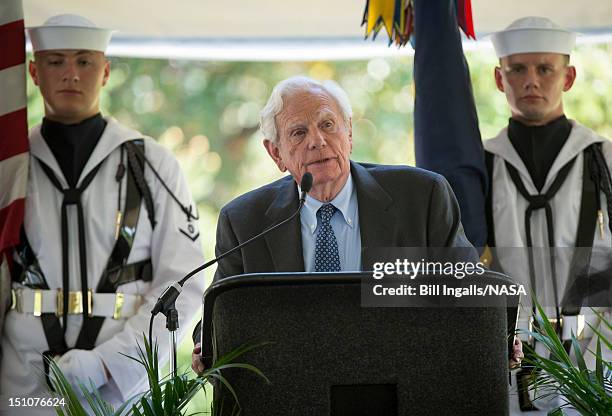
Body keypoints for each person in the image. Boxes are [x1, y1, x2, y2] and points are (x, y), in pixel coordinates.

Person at [191, 75, 500, 373]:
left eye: (328, 125)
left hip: (402, 384)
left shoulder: (422, 196)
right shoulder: (245, 221)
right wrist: (205, 345)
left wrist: (497, 333)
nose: (317, 141)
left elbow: (469, 290)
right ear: (276, 153)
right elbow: (219, 316)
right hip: (295, 393)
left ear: (349, 133)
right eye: (298, 133)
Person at [0, 14, 204, 414]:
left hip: (122, 390)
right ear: (34, 72)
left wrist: (111, 365)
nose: (70, 74)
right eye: (56, 61)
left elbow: (181, 283)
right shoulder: (9, 169)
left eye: (84, 61)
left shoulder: (154, 166)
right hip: (23, 387)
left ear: (106, 70)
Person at [484, 17, 611, 414]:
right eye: (517, 69)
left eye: (545, 69)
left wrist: (600, 352)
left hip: (598, 354)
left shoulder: (603, 159)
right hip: (508, 359)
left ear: (568, 76)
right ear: (498, 78)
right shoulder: (479, 165)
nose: (531, 81)